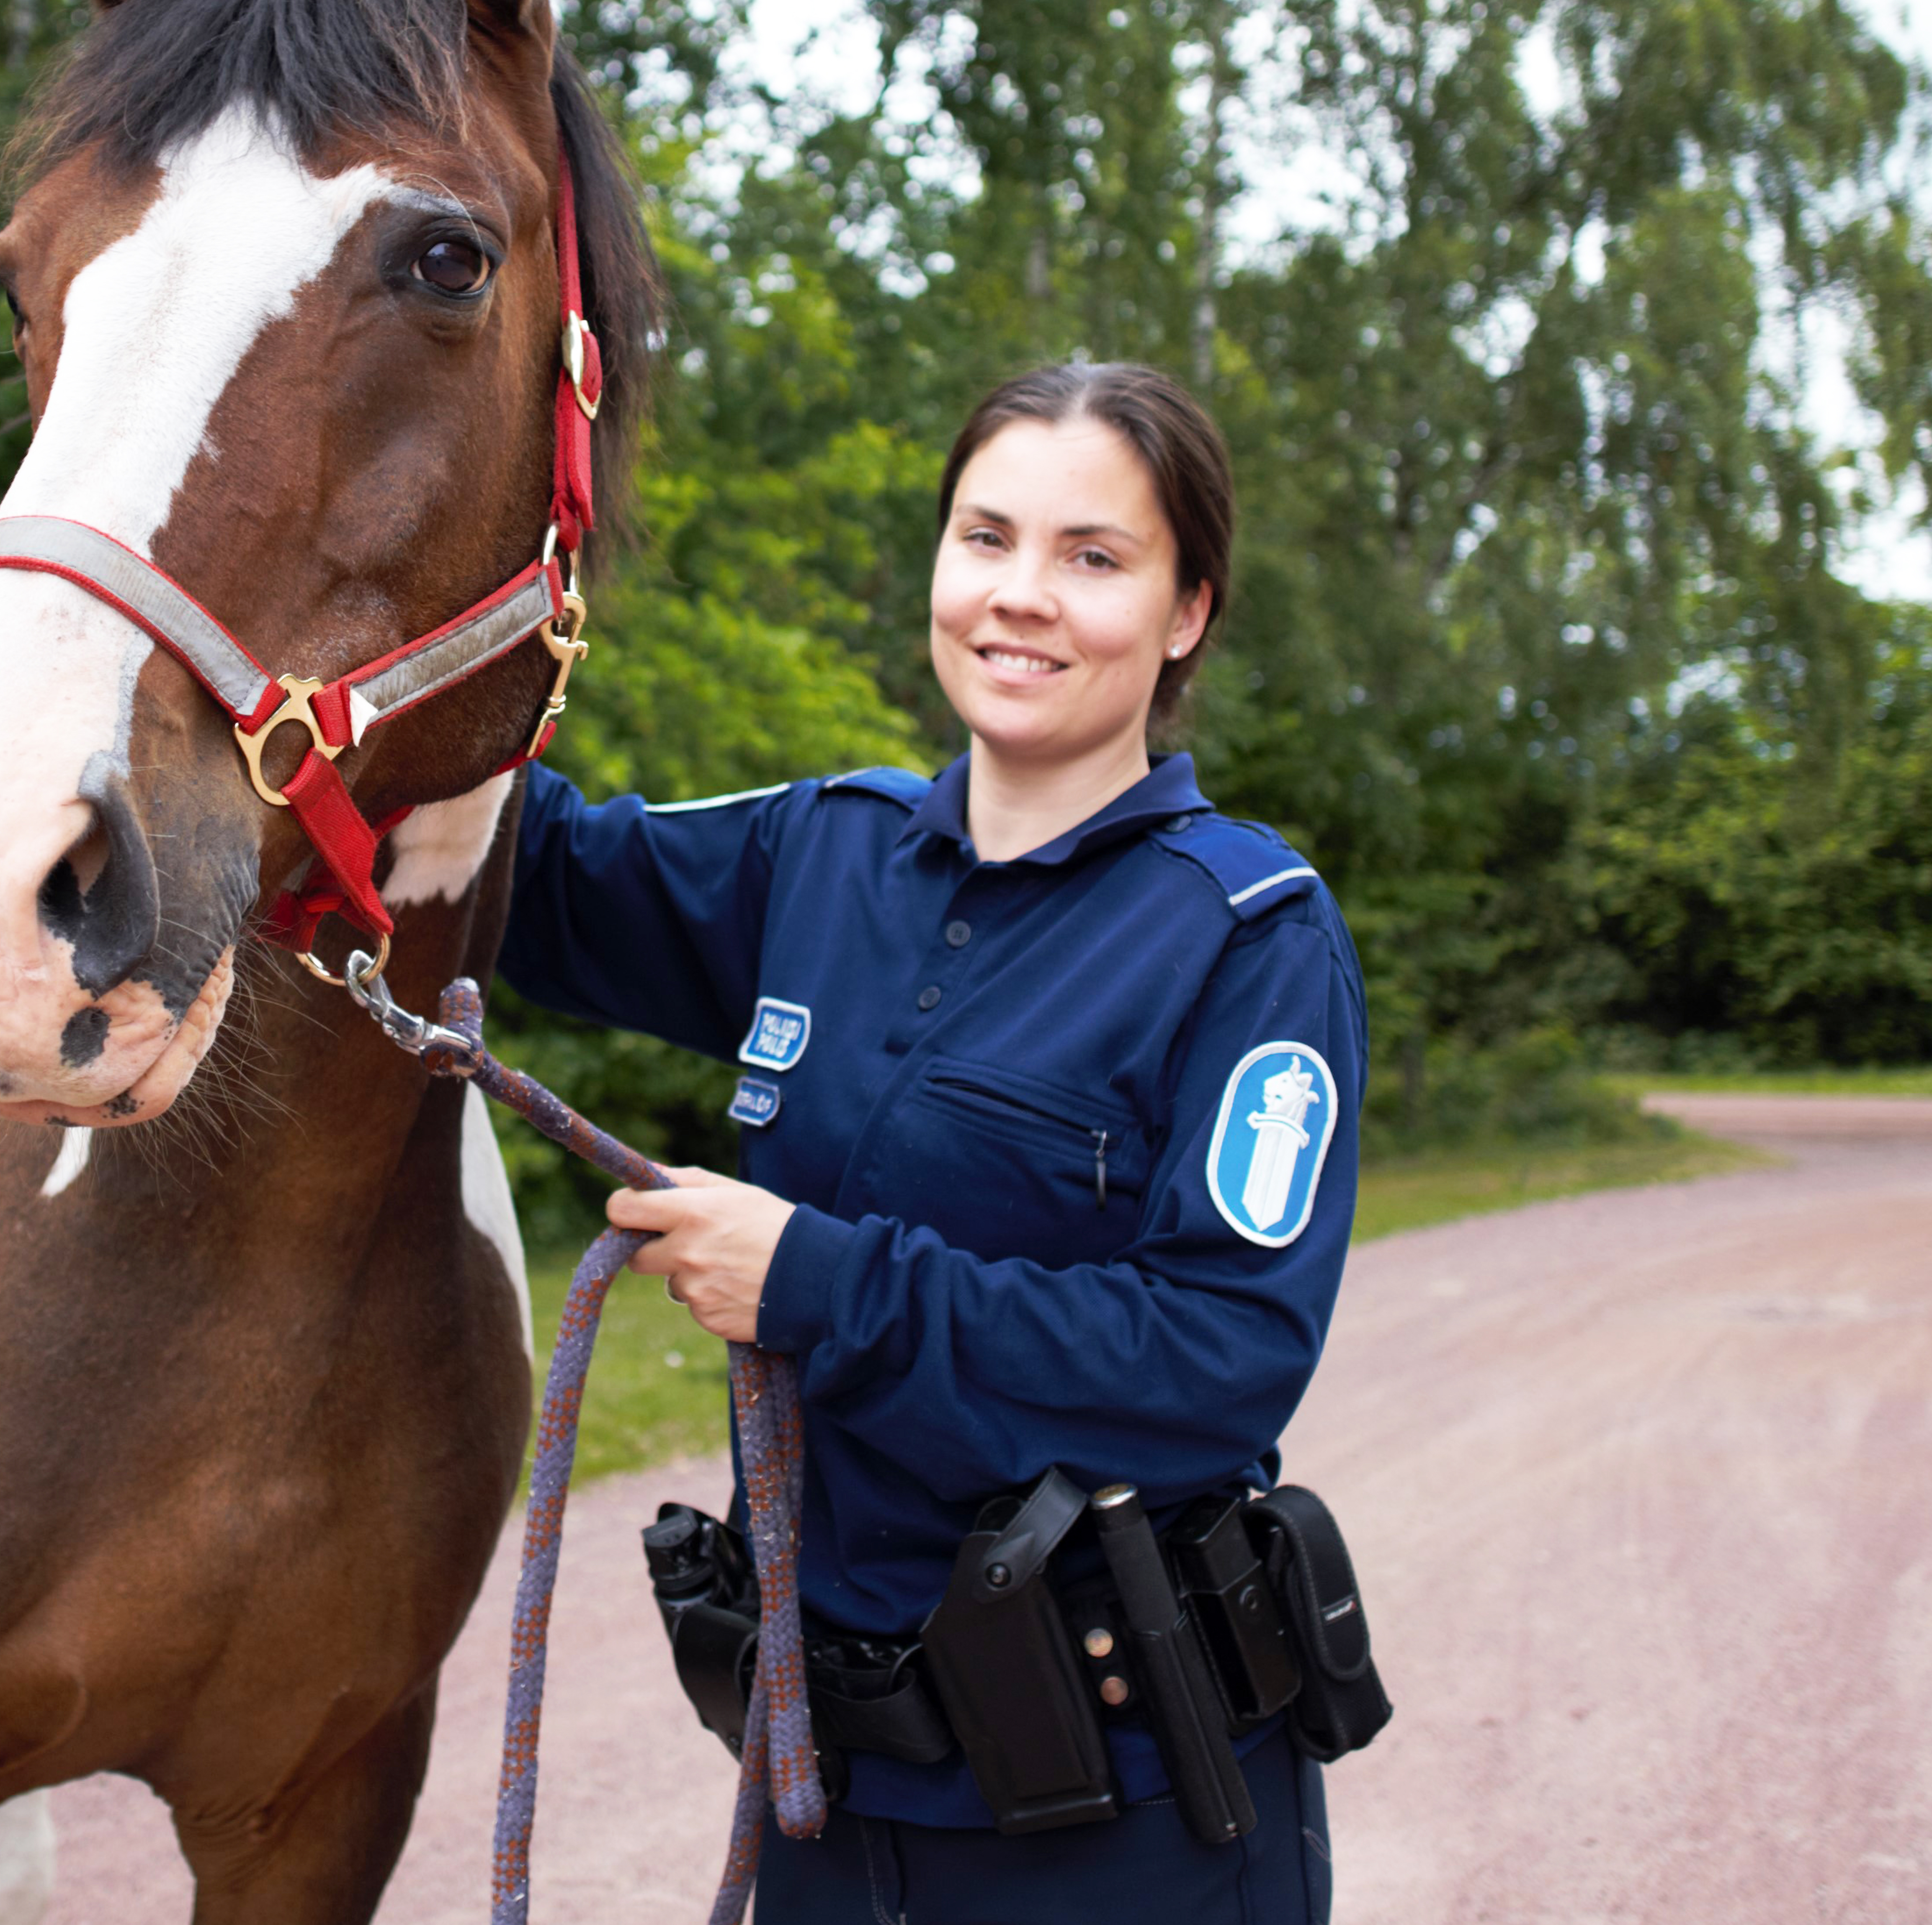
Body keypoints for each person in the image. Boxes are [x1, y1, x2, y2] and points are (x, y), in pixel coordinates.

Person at [499, 360, 1361, 1923]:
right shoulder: (817, 849)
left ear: (1187, 613)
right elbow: (528, 873)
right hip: (826, 1800)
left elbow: (1220, 1353)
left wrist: (827, 1284)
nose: (1022, 597)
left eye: (1093, 558)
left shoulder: (1249, 936)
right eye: (987, 538)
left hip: (1129, 1823)